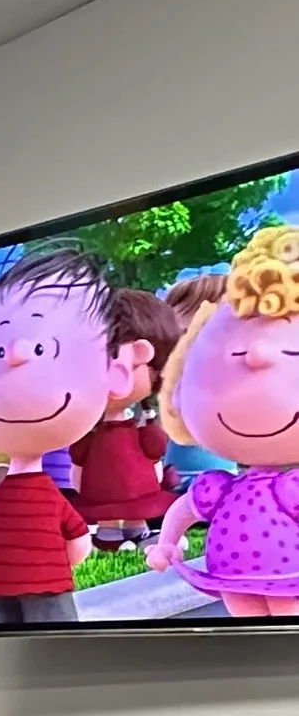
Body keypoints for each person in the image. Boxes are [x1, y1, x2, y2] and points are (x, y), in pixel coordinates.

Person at [0, 244, 148, 625]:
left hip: (34, 579)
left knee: (54, 634)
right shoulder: (27, 492)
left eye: (42, 346)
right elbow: (74, 543)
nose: (15, 354)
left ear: (115, 374)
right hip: (12, 578)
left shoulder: (41, 493)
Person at [152, 230, 299, 620]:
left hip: (289, 576)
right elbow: (187, 508)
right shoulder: (221, 486)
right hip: (231, 577)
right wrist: (167, 542)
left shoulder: (293, 486)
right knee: (246, 624)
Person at [71, 285, 181, 552]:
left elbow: (155, 449)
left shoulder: (140, 423)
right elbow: (78, 455)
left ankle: (137, 529)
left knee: (136, 503)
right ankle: (108, 534)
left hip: (140, 488)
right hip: (99, 486)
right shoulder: (91, 430)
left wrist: (151, 425)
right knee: (105, 504)